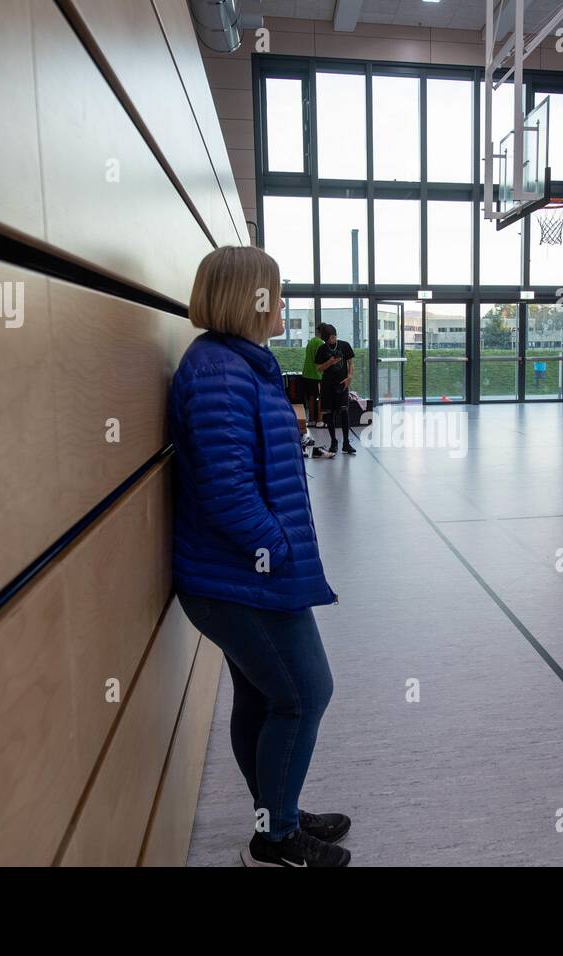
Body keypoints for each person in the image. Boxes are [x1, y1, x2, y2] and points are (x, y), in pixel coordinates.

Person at [169, 246, 350, 867]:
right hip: (242, 578)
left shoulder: (241, 364)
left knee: (265, 697)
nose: (283, 303)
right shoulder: (220, 372)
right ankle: (274, 841)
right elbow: (226, 490)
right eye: (275, 292)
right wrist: (277, 547)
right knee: (305, 693)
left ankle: (280, 814)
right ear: (248, 296)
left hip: (244, 575)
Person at [316, 323, 357, 456]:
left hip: (342, 384)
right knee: (329, 415)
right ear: (325, 338)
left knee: (344, 412)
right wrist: (329, 363)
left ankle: (346, 442)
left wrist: (350, 377)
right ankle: (334, 441)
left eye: (334, 336)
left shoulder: (344, 345)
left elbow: (351, 363)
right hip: (327, 386)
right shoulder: (322, 349)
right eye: (330, 338)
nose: (333, 339)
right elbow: (319, 368)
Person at [301, 321, 326, 427]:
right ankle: (320, 420)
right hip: (317, 375)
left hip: (307, 373)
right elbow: (320, 360)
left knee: (311, 397)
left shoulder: (310, 342)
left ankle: (311, 420)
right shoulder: (320, 343)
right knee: (321, 397)